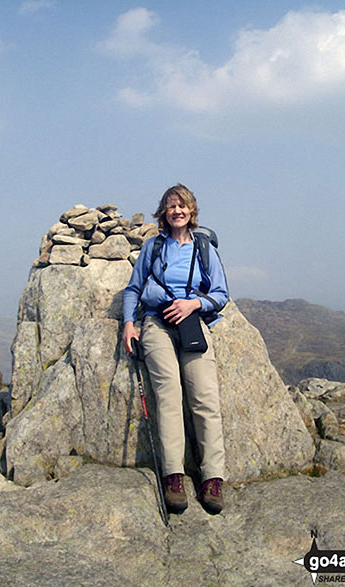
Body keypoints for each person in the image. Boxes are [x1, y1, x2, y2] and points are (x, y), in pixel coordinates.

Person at [122, 184, 228, 515]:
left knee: (204, 398)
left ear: (191, 210)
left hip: (192, 323)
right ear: (163, 213)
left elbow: (222, 294)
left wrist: (192, 303)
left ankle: (212, 479)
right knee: (168, 394)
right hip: (156, 324)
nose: (176, 211)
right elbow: (133, 289)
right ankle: (173, 476)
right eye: (170, 206)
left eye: (182, 205)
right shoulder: (153, 247)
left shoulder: (205, 248)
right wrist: (128, 323)